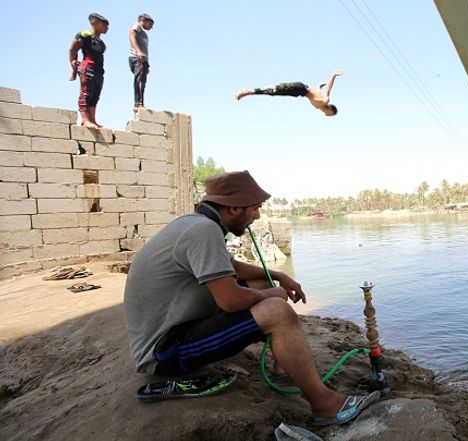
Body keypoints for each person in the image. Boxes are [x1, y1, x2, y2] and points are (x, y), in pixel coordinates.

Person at [124, 170, 378, 425]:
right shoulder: (203, 232)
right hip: (164, 352)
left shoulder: (196, 224)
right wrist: (274, 294)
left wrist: (279, 276)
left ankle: (283, 365)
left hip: (176, 331)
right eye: (254, 208)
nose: (257, 215)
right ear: (234, 208)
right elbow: (230, 301)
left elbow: (231, 267)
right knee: (277, 311)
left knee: (263, 281)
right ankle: (324, 406)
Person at [235, 69, 343, 116]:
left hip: (300, 92)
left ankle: (250, 92)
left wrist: (319, 86)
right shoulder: (325, 101)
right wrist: (333, 75)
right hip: (300, 89)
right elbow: (328, 88)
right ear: (331, 109)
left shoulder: (320, 104)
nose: (329, 116)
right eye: (332, 115)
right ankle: (249, 91)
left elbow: (318, 91)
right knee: (276, 90)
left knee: (276, 92)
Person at [68, 13, 109, 129]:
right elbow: (72, 49)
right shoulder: (85, 35)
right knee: (86, 93)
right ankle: (85, 120)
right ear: (94, 22)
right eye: (104, 24)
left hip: (99, 71)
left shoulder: (102, 44)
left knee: (95, 96)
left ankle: (93, 120)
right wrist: (73, 67)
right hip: (88, 67)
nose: (106, 28)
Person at [128, 13, 154, 111]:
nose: (151, 27)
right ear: (143, 20)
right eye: (150, 24)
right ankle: (138, 104)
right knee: (139, 80)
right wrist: (138, 52)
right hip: (137, 58)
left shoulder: (143, 32)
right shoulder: (137, 26)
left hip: (143, 60)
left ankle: (140, 102)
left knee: (143, 81)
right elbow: (132, 36)